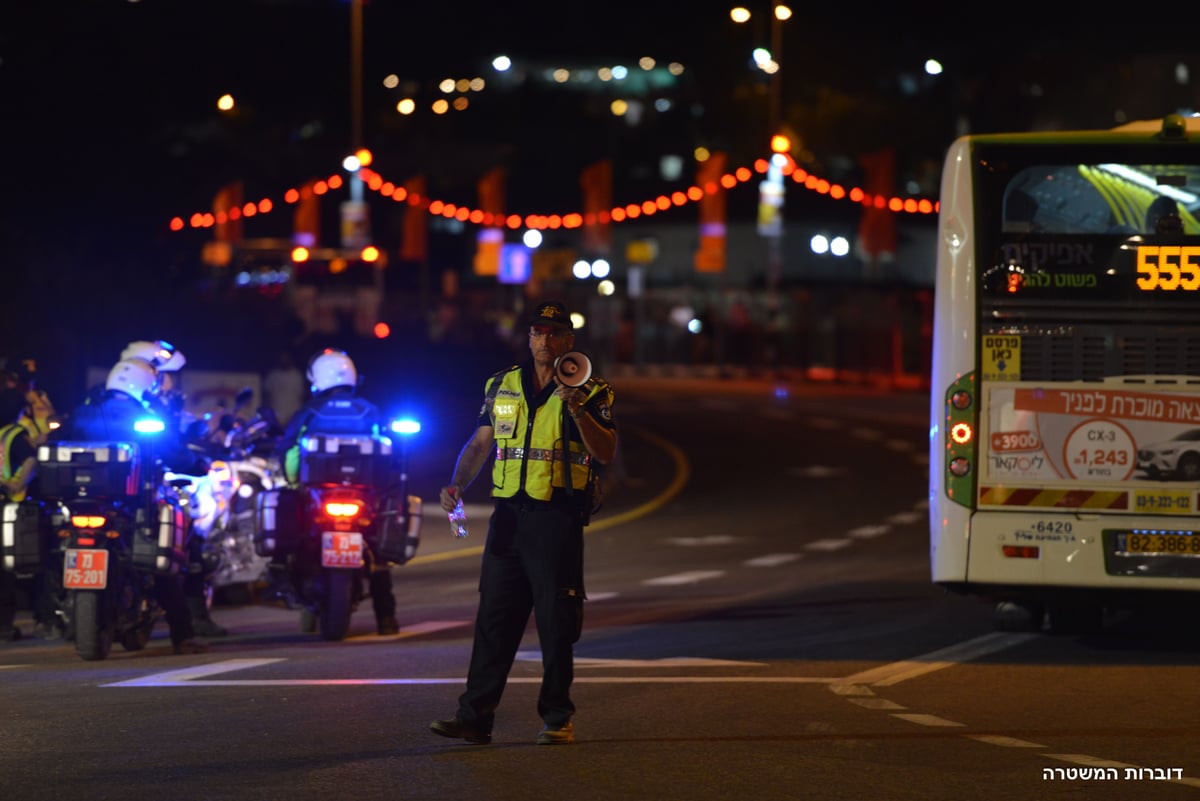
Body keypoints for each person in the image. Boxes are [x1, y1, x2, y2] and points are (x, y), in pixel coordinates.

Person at [429, 300, 618, 746]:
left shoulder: (592, 389)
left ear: (569, 340)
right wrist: (456, 485)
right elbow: (479, 445)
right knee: (494, 620)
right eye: (538, 332)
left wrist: (577, 409)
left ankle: (557, 718)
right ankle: (474, 718)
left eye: (554, 333)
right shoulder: (501, 385)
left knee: (556, 621)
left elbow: (606, 451)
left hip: (557, 517)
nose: (545, 341)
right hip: (508, 518)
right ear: (528, 337)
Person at [62, 358, 209, 655]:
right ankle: (182, 636)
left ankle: (58, 616)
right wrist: (199, 465)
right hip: (131, 505)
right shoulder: (145, 417)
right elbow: (175, 455)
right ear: (144, 385)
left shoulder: (84, 411)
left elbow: (56, 443)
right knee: (158, 562)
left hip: (81, 502)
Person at [274, 348, 399, 635]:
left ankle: (284, 581)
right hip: (363, 495)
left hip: (318, 495)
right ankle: (387, 618)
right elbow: (389, 453)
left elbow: (286, 447)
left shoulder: (310, 410)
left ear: (317, 378)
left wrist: (293, 481)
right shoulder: (370, 409)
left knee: (296, 531)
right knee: (379, 554)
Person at [121, 340, 227, 637]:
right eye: (159, 373)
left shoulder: (101, 403)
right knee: (180, 543)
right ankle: (187, 627)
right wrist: (197, 465)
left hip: (115, 494)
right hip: (139, 493)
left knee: (178, 543)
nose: (164, 382)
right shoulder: (148, 408)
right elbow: (170, 450)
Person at [0, 389, 58, 641]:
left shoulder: (5, 434)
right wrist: (16, 485)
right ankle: (40, 620)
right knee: (19, 567)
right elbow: (30, 463)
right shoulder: (16, 433)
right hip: (13, 508)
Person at [263, 350, 305, 428]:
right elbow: (266, 395)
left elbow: (301, 395)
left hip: (292, 416)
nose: (284, 360)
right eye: (282, 358)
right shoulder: (273, 376)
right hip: (276, 416)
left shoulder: (297, 375)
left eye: (286, 358)